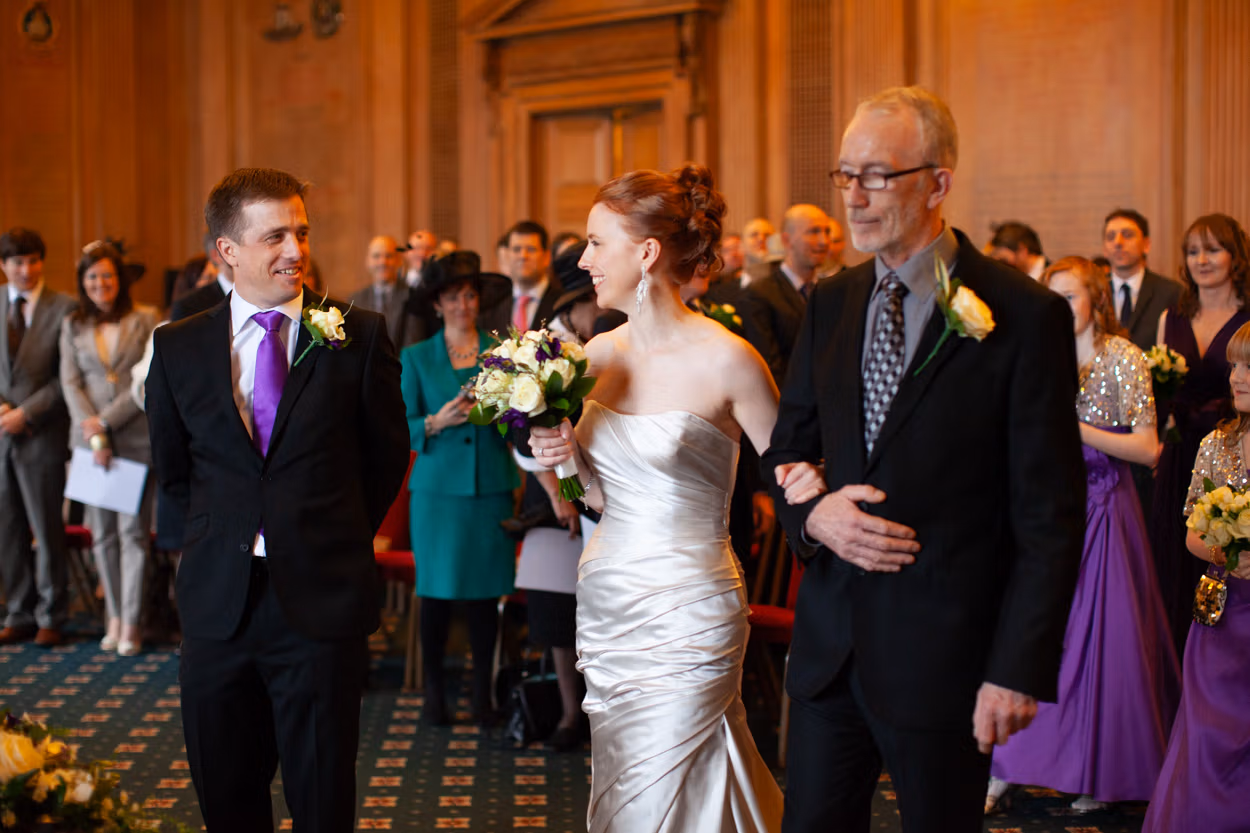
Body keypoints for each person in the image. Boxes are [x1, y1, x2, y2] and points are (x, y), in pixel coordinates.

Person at [762, 86, 1086, 833]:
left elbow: (1049, 515)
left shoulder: (1023, 313)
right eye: (846, 175)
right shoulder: (833, 302)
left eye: (877, 175)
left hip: (947, 657)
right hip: (831, 650)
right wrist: (814, 516)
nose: (853, 197)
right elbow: (786, 449)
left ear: (938, 183)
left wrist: (1016, 668)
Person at [530, 164, 825, 833]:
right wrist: (563, 459)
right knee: (629, 779)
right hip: (607, 600)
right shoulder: (597, 355)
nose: (583, 260)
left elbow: (794, 475)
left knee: (666, 783)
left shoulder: (729, 359)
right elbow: (591, 496)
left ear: (646, 252)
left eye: (596, 243)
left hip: (690, 606)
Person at [146, 167, 409, 832]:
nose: (296, 249)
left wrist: (326, 534)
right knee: (226, 797)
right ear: (226, 250)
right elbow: (174, 470)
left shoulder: (359, 334)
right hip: (218, 606)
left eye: (301, 232)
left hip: (320, 605)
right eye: (274, 237)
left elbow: (384, 461)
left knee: (321, 801)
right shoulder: (177, 345)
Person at [987, 257, 1179, 812]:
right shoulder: (1036, 351)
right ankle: (1007, 767)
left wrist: (1072, 429)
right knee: (1033, 636)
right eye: (1052, 297)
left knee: (1101, 646)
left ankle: (1101, 770)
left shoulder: (1122, 357)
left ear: (1095, 299)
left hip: (1103, 509)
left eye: (1069, 296)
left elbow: (1147, 448)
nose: (1058, 307)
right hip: (1042, 510)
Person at [400, 250, 517, 727]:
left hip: (490, 487)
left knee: (485, 598)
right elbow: (399, 425)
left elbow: (520, 422)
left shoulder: (503, 353)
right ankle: (435, 695)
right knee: (436, 594)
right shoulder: (415, 357)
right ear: (436, 304)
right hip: (437, 495)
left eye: (470, 296)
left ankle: (483, 697)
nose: (463, 305)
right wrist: (435, 421)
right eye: (453, 297)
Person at [1142, 320, 1250, 832]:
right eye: (1235, 365)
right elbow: (1192, 534)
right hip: (1222, 615)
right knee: (1208, 734)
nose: (1238, 377)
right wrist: (1230, 554)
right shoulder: (1215, 444)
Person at [1150, 213, 1250, 662]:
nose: (1202, 260)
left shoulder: (1247, 318)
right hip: (1181, 453)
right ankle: (1180, 666)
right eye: (1193, 251)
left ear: (1235, 256)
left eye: (1213, 249)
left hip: (1235, 448)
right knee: (1174, 557)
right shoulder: (1171, 316)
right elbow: (1157, 392)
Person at [59, 242, 160, 656]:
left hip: (134, 437)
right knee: (101, 536)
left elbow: (147, 380)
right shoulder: (72, 324)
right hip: (89, 445)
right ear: (82, 282)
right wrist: (95, 433)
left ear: (120, 280)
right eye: (92, 277)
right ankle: (113, 617)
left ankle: (132, 621)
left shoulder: (146, 318)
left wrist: (107, 422)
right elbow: (71, 383)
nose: (100, 283)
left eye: (107, 275)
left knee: (132, 534)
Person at [0, 227, 76, 647]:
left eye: (32, 261)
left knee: (47, 528)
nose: (26, 270)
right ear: (4, 265)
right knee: (7, 526)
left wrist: (25, 413)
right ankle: (19, 611)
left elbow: (67, 376)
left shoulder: (64, 307)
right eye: (17, 262)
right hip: (1, 433)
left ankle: (52, 613)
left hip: (43, 432)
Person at [1103, 209, 1180, 353]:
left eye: (1127, 235)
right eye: (1110, 237)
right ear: (1104, 249)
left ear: (1146, 244)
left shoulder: (1170, 293)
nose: (1118, 242)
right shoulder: (1095, 291)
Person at [349, 235, 429, 349]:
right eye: (376, 256)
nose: (382, 262)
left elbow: (413, 345)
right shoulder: (355, 301)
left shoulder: (414, 297)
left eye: (389, 256)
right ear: (367, 261)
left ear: (399, 260)